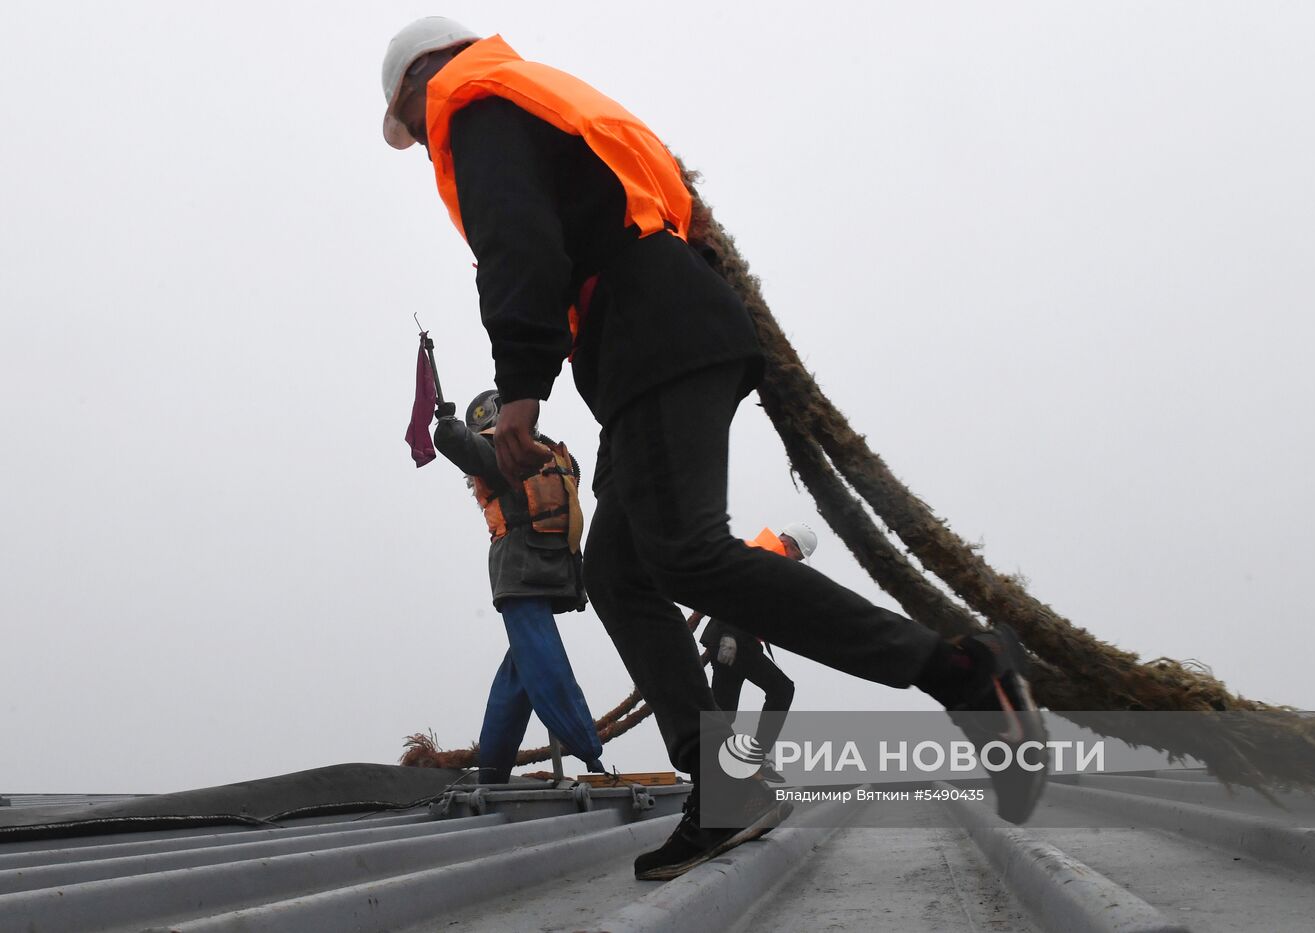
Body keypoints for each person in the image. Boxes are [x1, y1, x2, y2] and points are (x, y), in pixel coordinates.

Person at [380, 17, 1048, 881]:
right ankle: (725, 787)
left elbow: (519, 245)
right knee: (621, 572)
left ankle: (959, 671)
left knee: (687, 555)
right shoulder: (533, 96)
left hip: (652, 335)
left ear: (416, 83)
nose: (419, 133)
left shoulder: (473, 109)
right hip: (656, 340)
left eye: (408, 115)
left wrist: (520, 387)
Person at [433, 388, 606, 783]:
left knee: (519, 675)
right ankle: (589, 752)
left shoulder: (543, 452)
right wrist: (446, 427)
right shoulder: (499, 456)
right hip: (521, 573)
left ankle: (492, 772)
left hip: (548, 571)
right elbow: (463, 446)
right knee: (545, 664)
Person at [698, 524, 817, 782]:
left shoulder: (765, 555)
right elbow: (734, 592)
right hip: (734, 640)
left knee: (723, 713)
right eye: (797, 557)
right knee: (782, 689)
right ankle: (755, 758)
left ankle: (712, 773)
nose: (795, 563)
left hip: (733, 640)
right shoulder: (767, 556)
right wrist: (729, 634)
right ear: (789, 545)